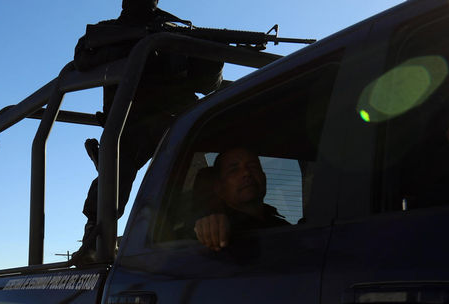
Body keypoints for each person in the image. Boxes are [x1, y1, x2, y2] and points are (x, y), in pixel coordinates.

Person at [70, 0, 223, 264]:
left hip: (176, 119)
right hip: (130, 118)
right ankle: (96, 238)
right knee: (117, 171)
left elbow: (210, 84)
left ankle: (197, 235)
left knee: (197, 174)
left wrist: (212, 55)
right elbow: (83, 57)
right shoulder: (110, 30)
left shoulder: (177, 28)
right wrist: (139, 48)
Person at [193, 147, 289, 251]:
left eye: (253, 167)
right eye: (233, 170)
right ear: (219, 188)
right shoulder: (220, 229)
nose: (246, 173)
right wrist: (207, 230)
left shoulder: (284, 227)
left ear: (264, 177)